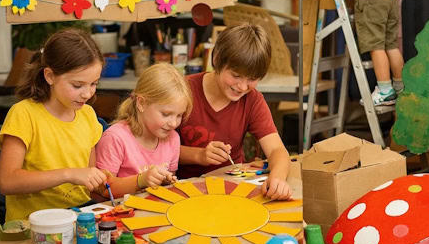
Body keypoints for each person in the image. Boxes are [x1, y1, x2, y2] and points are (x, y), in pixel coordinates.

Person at [0, 29, 108, 221]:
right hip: (32, 225)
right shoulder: (23, 114)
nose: (87, 94)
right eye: (77, 85)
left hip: (80, 217)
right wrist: (68, 174)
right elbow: (7, 182)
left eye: (94, 84)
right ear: (49, 76)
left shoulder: (88, 115)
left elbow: (91, 180)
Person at [177, 24, 293, 200]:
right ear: (216, 58)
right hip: (183, 191)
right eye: (236, 76)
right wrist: (199, 155)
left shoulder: (252, 100)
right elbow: (150, 149)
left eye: (252, 79)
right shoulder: (182, 91)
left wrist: (277, 179)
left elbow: (278, 150)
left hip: (232, 192)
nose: (242, 87)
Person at [95, 64, 192, 197]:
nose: (174, 123)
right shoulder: (115, 138)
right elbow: (102, 190)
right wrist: (140, 180)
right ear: (141, 103)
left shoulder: (173, 138)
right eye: (166, 114)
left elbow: (167, 187)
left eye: (179, 115)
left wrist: (166, 181)